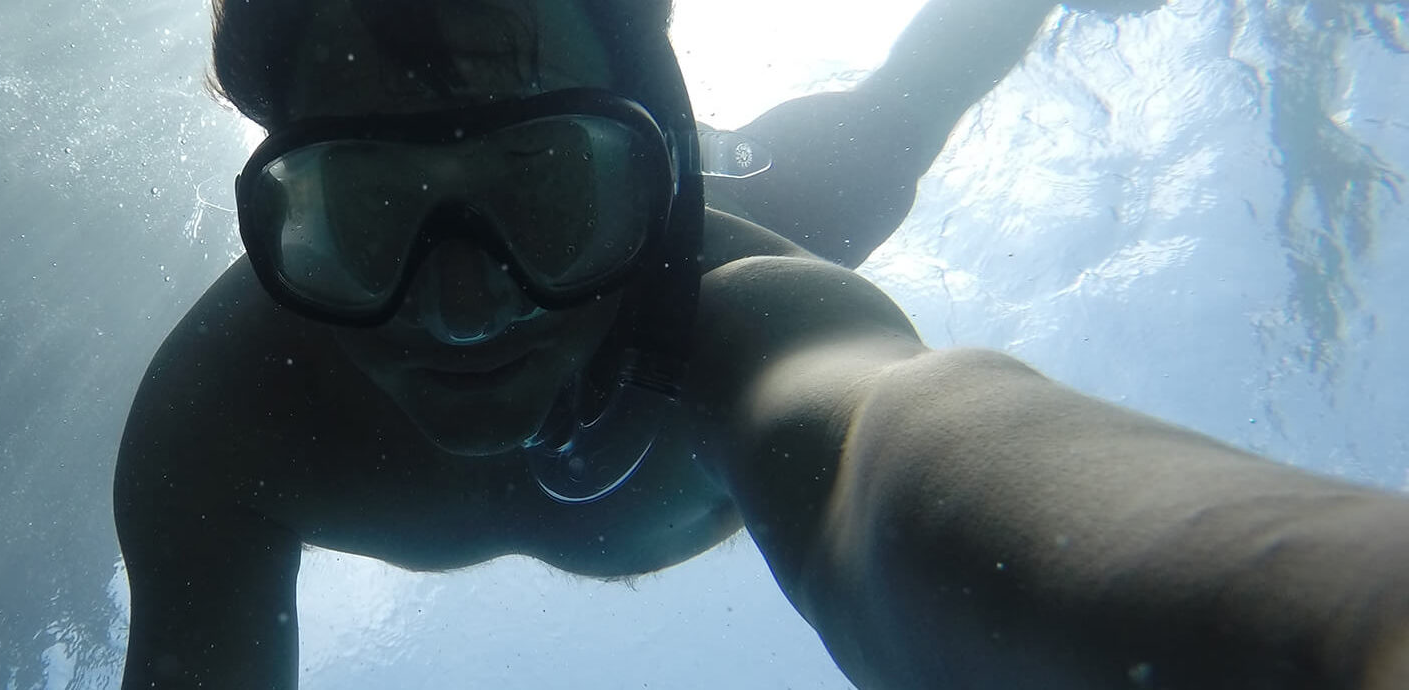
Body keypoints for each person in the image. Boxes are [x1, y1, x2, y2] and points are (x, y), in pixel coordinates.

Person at [113, 0, 1409, 688]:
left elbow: (885, 442)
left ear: (652, 162)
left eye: (548, 182)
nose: (462, 307)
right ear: (278, 194)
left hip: (780, 180)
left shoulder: (755, 303)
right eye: (365, 207)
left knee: (899, 115)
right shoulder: (221, 423)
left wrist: (1337, 621)